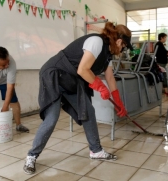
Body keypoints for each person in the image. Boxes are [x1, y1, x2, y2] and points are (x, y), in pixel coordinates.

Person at [23, 22, 131, 174]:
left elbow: (110, 79)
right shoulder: (96, 42)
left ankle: (96, 151)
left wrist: (119, 103)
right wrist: (100, 86)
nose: (122, 51)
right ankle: (31, 156)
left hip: (71, 80)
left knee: (88, 111)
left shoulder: (108, 55)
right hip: (54, 76)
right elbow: (83, 69)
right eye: (124, 47)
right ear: (120, 42)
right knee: (52, 118)